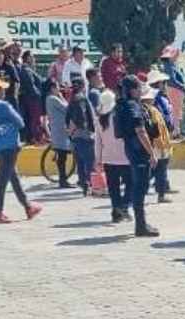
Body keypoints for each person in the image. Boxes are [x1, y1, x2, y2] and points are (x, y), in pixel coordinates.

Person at [0, 76, 42, 223]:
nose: (4, 91)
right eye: (1, 89)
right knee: (2, 181)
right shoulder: (3, 105)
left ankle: (28, 207)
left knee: (13, 177)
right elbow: (20, 123)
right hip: (8, 147)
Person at [115, 75, 159, 236]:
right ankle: (141, 226)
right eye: (139, 88)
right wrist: (151, 152)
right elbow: (140, 131)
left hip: (131, 148)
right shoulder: (132, 106)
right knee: (140, 187)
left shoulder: (122, 105)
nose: (141, 91)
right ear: (133, 90)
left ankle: (141, 223)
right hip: (139, 150)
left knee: (139, 185)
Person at [95, 90, 132, 223]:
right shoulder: (120, 116)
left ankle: (116, 211)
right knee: (131, 184)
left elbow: (98, 142)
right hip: (125, 157)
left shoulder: (99, 120)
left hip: (108, 159)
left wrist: (98, 160)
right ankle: (124, 207)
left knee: (113, 188)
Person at [142, 83, 173, 205]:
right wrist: (162, 145)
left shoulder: (143, 110)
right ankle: (161, 194)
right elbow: (158, 130)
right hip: (158, 145)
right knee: (160, 170)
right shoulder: (152, 111)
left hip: (152, 144)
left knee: (151, 171)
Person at [65, 76, 96, 195]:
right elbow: (83, 118)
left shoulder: (72, 99)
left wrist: (70, 131)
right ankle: (90, 185)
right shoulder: (81, 98)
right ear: (83, 86)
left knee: (80, 163)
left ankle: (84, 185)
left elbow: (68, 118)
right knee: (89, 161)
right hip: (84, 134)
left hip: (75, 136)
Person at [45, 83, 72, 189]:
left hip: (58, 129)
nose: (59, 89)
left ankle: (63, 179)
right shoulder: (53, 99)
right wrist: (62, 97)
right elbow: (66, 108)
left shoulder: (50, 99)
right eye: (57, 87)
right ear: (52, 88)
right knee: (62, 156)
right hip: (59, 130)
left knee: (62, 155)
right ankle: (63, 180)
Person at [160, 47, 185, 126]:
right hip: (174, 90)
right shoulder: (169, 66)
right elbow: (172, 81)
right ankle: (175, 130)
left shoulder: (168, 65)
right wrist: (183, 87)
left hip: (173, 90)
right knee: (176, 112)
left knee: (175, 112)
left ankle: (175, 129)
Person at [0, 44, 19, 111]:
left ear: (4, 55)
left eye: (0, 53)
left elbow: (17, 81)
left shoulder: (9, 66)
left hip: (10, 97)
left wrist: (15, 95)